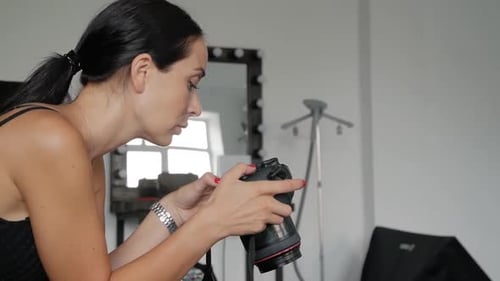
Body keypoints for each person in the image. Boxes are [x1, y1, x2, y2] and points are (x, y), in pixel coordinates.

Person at [0, 0, 305, 280]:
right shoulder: (51, 138)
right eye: (191, 83)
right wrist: (213, 223)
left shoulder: (87, 156)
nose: (196, 107)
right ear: (142, 71)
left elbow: (95, 275)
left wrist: (173, 212)